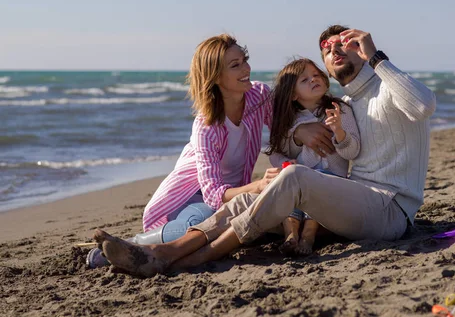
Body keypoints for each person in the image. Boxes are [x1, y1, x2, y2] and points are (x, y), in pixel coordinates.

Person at [93, 26, 436, 277]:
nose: (335, 50)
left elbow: (423, 106)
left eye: (345, 43)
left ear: (360, 49)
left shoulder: (388, 85)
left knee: (293, 177)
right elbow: (287, 135)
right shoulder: (342, 105)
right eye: (327, 49)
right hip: (354, 204)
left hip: (392, 209)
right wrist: (299, 134)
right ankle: (162, 252)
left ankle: (191, 259)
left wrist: (375, 56)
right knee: (246, 200)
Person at [87, 34, 277, 268]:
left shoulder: (259, 95)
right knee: (206, 218)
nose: (246, 68)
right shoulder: (207, 125)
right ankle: (130, 246)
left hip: (233, 197)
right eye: (235, 65)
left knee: (233, 221)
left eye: (244, 60)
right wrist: (257, 186)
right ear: (215, 76)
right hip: (189, 198)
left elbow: (282, 127)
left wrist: (305, 130)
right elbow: (213, 194)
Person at [266, 58, 360, 255]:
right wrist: (291, 152)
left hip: (332, 180)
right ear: (292, 94)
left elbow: (353, 152)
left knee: (319, 188)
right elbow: (280, 150)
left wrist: (339, 132)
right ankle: (291, 236)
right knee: (290, 193)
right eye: (304, 79)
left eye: (316, 75)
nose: (313, 80)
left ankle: (308, 237)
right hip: (302, 181)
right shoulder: (290, 120)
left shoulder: (341, 110)